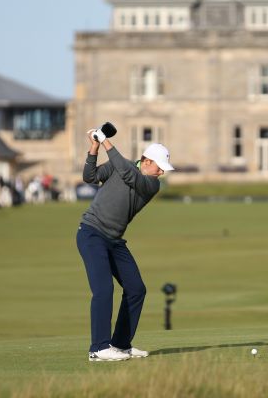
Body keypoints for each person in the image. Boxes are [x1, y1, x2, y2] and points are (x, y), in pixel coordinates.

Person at [77, 126, 174, 362]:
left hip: (114, 240)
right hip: (91, 234)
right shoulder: (122, 164)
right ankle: (98, 348)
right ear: (147, 161)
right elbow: (90, 177)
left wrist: (107, 142)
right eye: (159, 166)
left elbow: (130, 175)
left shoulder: (152, 184)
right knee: (104, 289)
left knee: (136, 289)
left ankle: (120, 345)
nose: (162, 171)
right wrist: (95, 147)